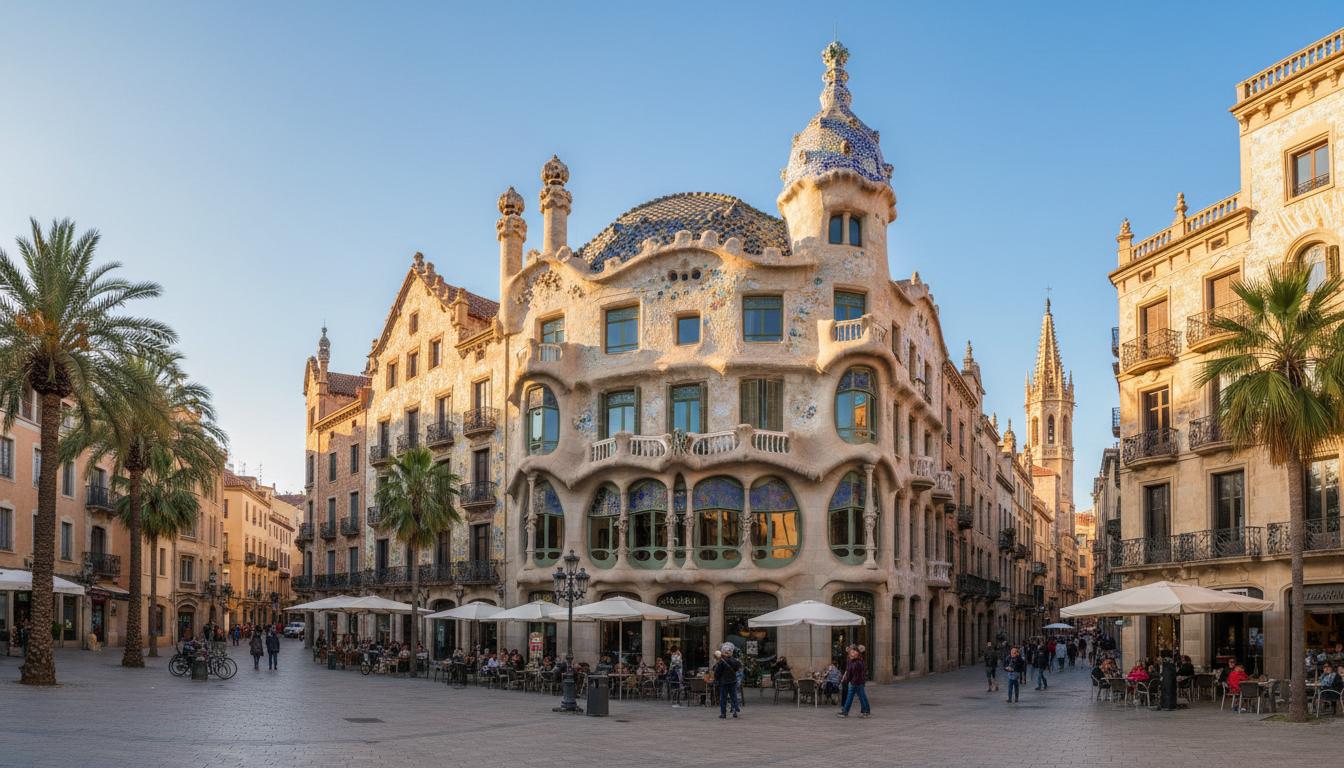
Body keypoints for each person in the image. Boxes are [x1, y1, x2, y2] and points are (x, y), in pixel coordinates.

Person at [837, 646, 870, 718]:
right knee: (860, 696)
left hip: (856, 682)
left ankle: (864, 711)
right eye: (850, 652)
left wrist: (847, 680)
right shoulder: (851, 661)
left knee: (859, 697)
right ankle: (866, 711)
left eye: (853, 652)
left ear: (857, 653)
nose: (851, 654)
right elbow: (848, 671)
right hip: (855, 682)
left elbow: (854, 673)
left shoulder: (858, 662)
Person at [714, 645, 741, 719]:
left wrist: (716, 679)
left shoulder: (722, 661)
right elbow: (738, 667)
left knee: (723, 698)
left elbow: (717, 672)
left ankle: (723, 713)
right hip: (733, 681)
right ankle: (735, 710)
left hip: (724, 682)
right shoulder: (735, 660)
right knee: (733, 697)